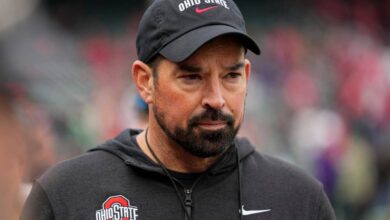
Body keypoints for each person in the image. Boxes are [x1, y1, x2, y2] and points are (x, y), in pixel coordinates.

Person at [22, 0, 336, 219]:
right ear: (145, 82)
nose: (217, 98)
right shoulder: (67, 195)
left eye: (231, 75)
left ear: (248, 76)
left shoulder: (299, 199)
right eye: (191, 76)